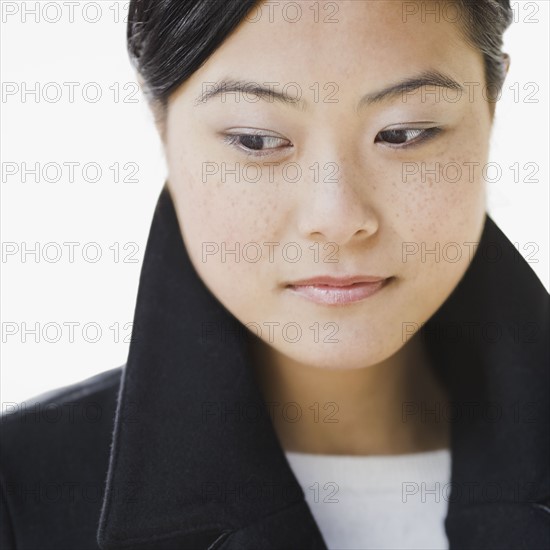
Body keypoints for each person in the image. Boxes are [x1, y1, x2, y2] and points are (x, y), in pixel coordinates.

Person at [1, 1, 549, 549]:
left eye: (404, 133)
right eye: (257, 140)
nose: (336, 220)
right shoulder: (20, 492)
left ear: (491, 105)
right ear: (160, 126)